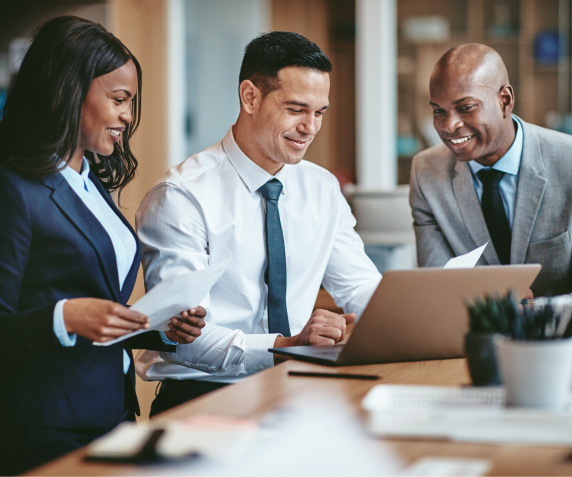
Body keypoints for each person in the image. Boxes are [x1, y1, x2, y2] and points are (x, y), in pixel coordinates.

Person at [135, 31, 381, 416]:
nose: (310, 127)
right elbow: (184, 339)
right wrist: (288, 345)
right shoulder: (181, 196)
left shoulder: (321, 188)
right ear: (250, 97)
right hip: (204, 401)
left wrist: (409, 322)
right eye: (296, 109)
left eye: (319, 112)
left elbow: (360, 286)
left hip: (300, 393)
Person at [0, 16, 205, 475]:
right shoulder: (14, 189)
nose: (127, 117)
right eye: (118, 100)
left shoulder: (89, 184)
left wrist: (159, 329)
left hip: (112, 414)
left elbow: (98, 312)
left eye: (130, 103)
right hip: (44, 429)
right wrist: (66, 315)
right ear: (69, 92)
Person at [409, 43, 572, 297]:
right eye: (439, 111)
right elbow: (438, 286)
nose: (449, 126)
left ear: (504, 101)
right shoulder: (426, 172)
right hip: (472, 330)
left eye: (466, 108)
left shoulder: (567, 160)